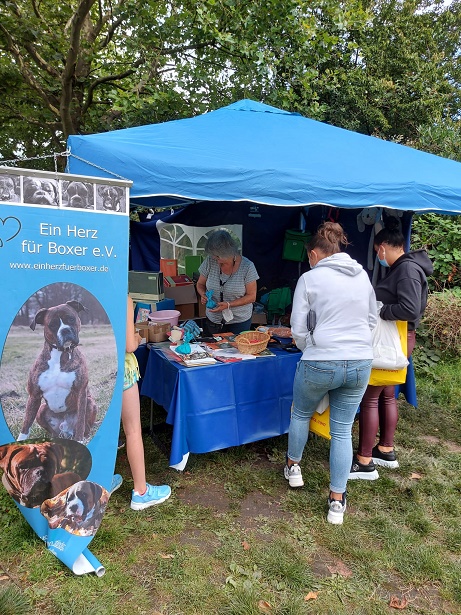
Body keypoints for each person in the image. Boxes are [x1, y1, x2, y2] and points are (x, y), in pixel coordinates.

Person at [285, 221, 377, 525]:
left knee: (301, 414)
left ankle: (293, 468)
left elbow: (298, 328)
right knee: (342, 430)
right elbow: (372, 320)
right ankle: (337, 500)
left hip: (320, 359)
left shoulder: (309, 278)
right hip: (360, 360)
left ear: (314, 254)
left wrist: (310, 346)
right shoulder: (362, 276)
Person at [350, 217, 433, 479]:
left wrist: (381, 310)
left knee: (370, 397)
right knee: (386, 395)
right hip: (398, 339)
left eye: (378, 251)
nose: (378, 256)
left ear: (384, 247)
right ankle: (385, 450)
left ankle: (364, 461)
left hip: (393, 340)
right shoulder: (404, 268)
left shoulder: (407, 270)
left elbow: (410, 309)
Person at [112, 296, 171, 510]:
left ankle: (100, 481)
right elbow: (129, 345)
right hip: (121, 370)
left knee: (101, 431)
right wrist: (137, 336)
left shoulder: (82, 289)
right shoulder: (122, 297)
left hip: (94, 372)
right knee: (133, 431)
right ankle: (141, 492)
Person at [196, 229, 259, 336]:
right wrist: (203, 294)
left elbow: (252, 296)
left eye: (217, 256)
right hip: (214, 320)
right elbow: (200, 284)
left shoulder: (247, 266)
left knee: (237, 346)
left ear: (228, 252)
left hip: (239, 321)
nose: (214, 258)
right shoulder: (210, 261)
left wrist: (229, 304)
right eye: (213, 255)